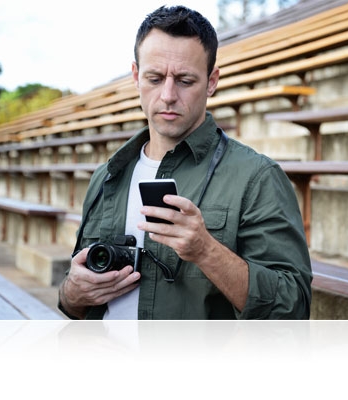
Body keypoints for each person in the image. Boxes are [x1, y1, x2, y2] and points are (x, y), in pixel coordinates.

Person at [58, 5, 312, 320]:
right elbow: (76, 299)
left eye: (185, 80)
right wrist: (71, 293)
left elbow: (294, 305)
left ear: (212, 82)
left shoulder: (257, 177)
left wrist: (207, 251)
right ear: (136, 77)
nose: (167, 94)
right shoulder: (107, 176)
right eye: (154, 78)